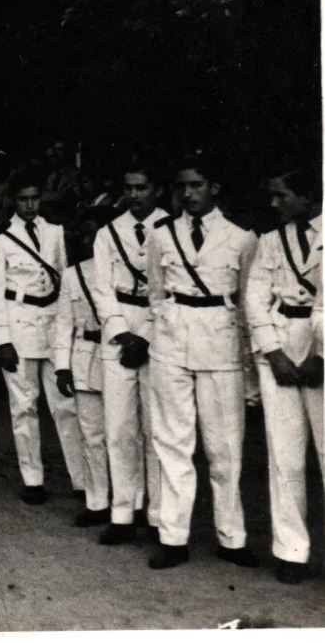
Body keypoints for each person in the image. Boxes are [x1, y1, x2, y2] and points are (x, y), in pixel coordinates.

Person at [144, 156, 258, 570]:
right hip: (172, 340)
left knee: (224, 445)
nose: (188, 193)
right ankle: (173, 537)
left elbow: (247, 299)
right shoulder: (161, 234)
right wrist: (167, 324)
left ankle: (232, 537)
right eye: (182, 186)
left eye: (197, 185)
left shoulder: (241, 237)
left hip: (220, 341)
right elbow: (156, 292)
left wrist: (247, 364)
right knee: (172, 441)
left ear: (215, 188)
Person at [0, 170, 87, 504]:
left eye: (34, 198)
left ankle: (83, 481)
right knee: (24, 407)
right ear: (13, 200)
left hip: (53, 324)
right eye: (23, 199)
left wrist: (69, 330)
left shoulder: (54, 231)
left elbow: (64, 280)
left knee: (66, 405)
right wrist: (2, 340)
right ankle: (33, 479)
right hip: (18, 324)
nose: (29, 205)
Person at [244, 166, 323, 584]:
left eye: (282, 195)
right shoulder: (272, 241)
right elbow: (255, 298)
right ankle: (292, 550)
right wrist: (273, 352)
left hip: (320, 346)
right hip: (281, 341)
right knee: (284, 455)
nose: (274, 204)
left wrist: (320, 356)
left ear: (308, 196)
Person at [91, 165, 167, 545]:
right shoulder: (108, 233)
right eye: (129, 188)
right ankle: (122, 512)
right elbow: (101, 287)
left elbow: (169, 290)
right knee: (119, 427)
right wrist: (121, 331)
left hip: (159, 328)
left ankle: (157, 515)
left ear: (157, 189)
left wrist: (146, 337)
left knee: (157, 429)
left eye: (142, 187)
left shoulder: (171, 228)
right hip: (118, 329)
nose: (135, 195)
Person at [52, 210, 112, 529]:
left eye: (94, 234)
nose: (87, 241)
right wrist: (62, 367)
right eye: (83, 235)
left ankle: (133, 504)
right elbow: (63, 323)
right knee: (91, 435)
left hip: (119, 358)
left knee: (127, 436)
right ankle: (97, 501)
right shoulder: (73, 275)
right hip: (85, 359)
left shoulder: (124, 270)